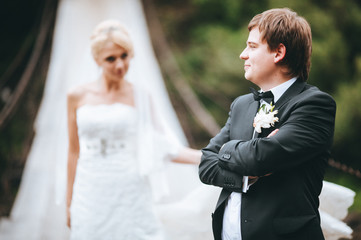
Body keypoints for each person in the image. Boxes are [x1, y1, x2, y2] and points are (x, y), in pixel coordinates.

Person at [199, 8, 337, 240]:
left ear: (278, 52)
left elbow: (260, 157)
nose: (243, 54)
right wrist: (245, 177)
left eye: (252, 47)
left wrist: (227, 149)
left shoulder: (315, 104)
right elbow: (205, 165)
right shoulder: (241, 104)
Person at [66, 19, 200, 240]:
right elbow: (73, 152)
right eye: (111, 59)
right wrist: (69, 202)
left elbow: (163, 145)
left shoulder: (141, 96)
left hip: (130, 188)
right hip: (89, 190)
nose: (120, 65)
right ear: (96, 59)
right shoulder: (76, 96)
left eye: (124, 56)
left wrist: (210, 157)